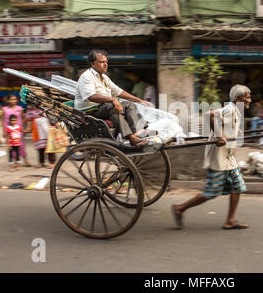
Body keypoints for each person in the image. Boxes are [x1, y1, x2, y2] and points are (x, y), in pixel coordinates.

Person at [171, 85, 251, 230]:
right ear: (238, 99)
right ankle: (180, 208)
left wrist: (235, 130)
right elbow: (209, 114)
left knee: (237, 186)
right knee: (211, 192)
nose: (250, 100)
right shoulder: (230, 109)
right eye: (247, 97)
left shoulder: (236, 111)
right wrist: (219, 136)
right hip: (219, 156)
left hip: (228, 156)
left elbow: (227, 124)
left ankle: (230, 220)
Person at [74, 49, 152, 146]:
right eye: (102, 62)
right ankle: (130, 137)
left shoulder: (105, 78)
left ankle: (139, 132)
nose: (105, 64)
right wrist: (113, 99)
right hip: (88, 111)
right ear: (92, 64)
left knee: (129, 104)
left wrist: (139, 100)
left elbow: (119, 91)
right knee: (111, 107)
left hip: (102, 108)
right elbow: (92, 96)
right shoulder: (86, 77)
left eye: (106, 62)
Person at [2, 94, 31, 167]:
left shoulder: (20, 108)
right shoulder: (4, 109)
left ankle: (25, 160)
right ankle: (15, 161)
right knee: (11, 146)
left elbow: (23, 118)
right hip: (9, 131)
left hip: (18, 131)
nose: (13, 101)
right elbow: (2, 120)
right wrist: (4, 131)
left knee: (21, 146)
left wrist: (23, 128)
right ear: (8, 100)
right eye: (11, 99)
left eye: (15, 99)